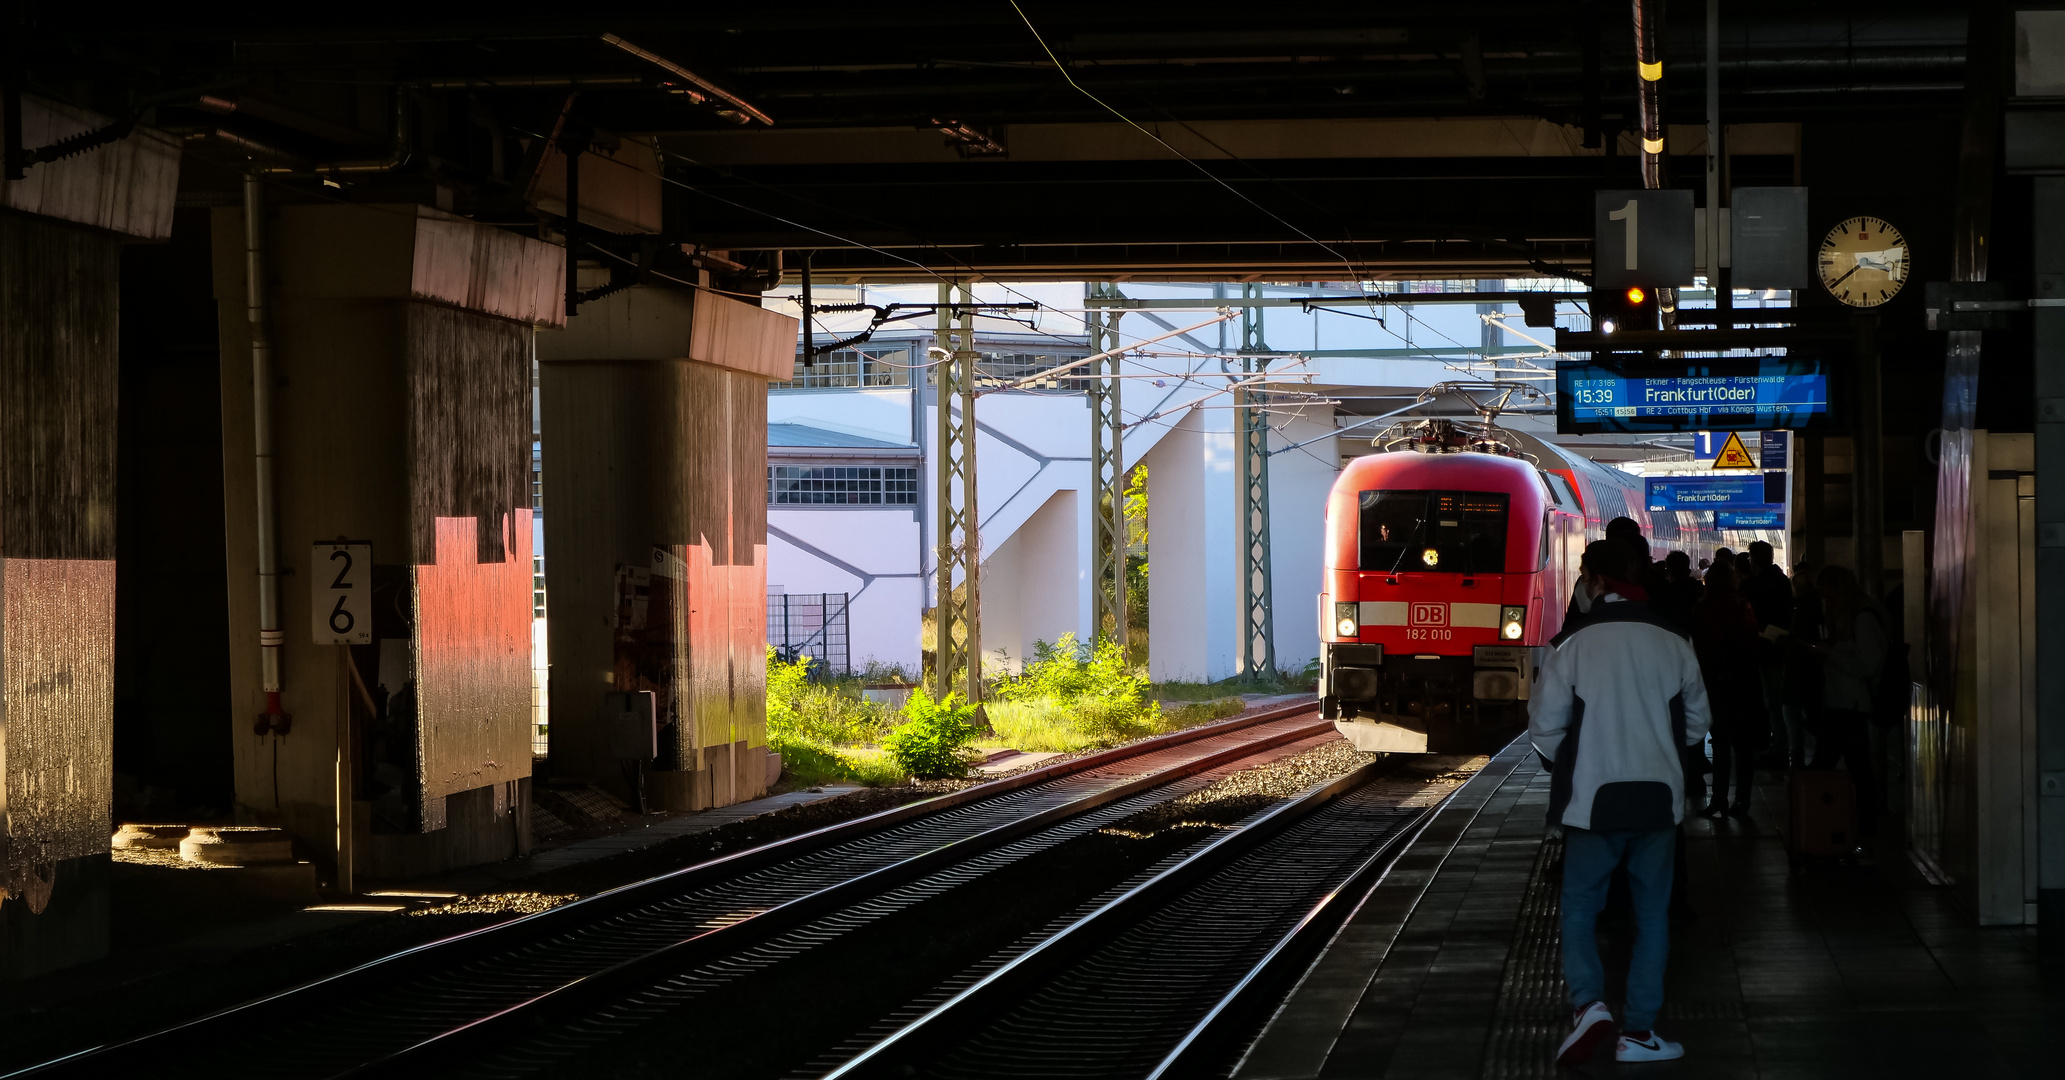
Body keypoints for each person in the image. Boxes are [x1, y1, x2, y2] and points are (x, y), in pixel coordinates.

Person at [1533, 540, 1711, 1066]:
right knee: (1652, 915)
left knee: (1582, 908)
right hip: (1658, 802)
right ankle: (1639, 1033)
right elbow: (1699, 724)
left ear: (1597, 582)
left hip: (1593, 804)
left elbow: (1545, 731)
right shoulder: (1675, 640)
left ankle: (1589, 1005)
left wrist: (1570, 766)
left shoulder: (1571, 644)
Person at [1805, 565, 1886, 846]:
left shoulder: (1863, 620)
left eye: (1830, 596)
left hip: (1850, 704)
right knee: (1854, 765)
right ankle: (1851, 824)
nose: (1828, 603)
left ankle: (1822, 823)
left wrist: (1831, 656)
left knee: (1844, 765)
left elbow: (1867, 665)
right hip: (1845, 702)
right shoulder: (1855, 616)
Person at [1692, 562, 1763, 817]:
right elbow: (1753, 644)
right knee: (1744, 747)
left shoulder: (1702, 609)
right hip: (1743, 683)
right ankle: (1742, 800)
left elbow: (1698, 649)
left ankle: (1718, 799)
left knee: (1720, 743)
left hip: (1714, 684)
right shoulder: (1744, 607)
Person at [1742, 542, 1795, 769]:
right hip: (1781, 647)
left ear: (1754, 560)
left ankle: (1781, 747)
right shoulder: (1782, 581)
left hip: (1765, 649)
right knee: (1778, 700)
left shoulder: (1756, 585)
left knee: (1773, 701)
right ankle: (1782, 745)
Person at [1779, 562, 1824, 768]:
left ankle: (1796, 758)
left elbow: (1797, 638)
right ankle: (1817, 758)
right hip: (1814, 671)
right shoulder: (1821, 607)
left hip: (1797, 669)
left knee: (1792, 715)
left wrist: (1785, 641)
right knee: (1812, 714)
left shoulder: (1800, 608)